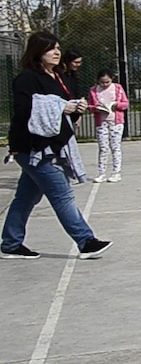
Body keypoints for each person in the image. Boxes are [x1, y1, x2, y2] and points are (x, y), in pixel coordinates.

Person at [2, 32, 112, 260]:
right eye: (50, 49)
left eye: (58, 48)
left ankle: (11, 244)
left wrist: (76, 108)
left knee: (25, 198)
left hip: (54, 146)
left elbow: (64, 107)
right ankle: (86, 241)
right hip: (33, 149)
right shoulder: (27, 78)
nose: (56, 52)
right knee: (62, 194)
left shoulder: (57, 76)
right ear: (37, 52)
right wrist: (60, 108)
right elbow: (25, 112)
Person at [86, 69, 129, 183]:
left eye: (107, 82)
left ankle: (116, 172)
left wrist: (117, 105)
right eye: (102, 82)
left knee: (115, 147)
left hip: (116, 122)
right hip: (101, 122)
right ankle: (101, 173)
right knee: (103, 148)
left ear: (111, 79)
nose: (104, 85)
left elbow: (125, 104)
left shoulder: (118, 88)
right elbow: (89, 106)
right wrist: (96, 108)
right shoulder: (94, 90)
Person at [57, 50, 86, 125]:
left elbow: (78, 93)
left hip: (74, 112)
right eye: (76, 62)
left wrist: (79, 114)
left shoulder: (74, 76)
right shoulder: (59, 75)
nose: (78, 65)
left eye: (80, 62)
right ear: (68, 62)